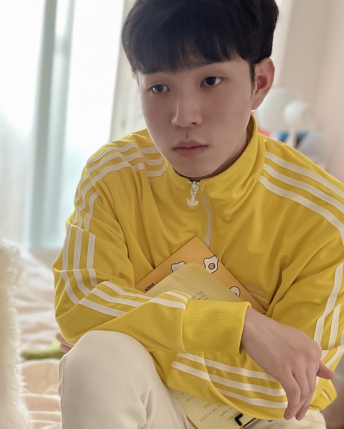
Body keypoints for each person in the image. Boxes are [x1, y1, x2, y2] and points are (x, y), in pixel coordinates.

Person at [53, 0, 344, 428]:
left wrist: (132, 330)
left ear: (260, 82)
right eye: (159, 88)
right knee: (96, 358)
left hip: (263, 419)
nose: (183, 116)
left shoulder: (324, 214)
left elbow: (295, 388)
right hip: (152, 405)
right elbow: (79, 304)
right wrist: (238, 328)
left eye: (210, 80)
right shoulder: (113, 174)